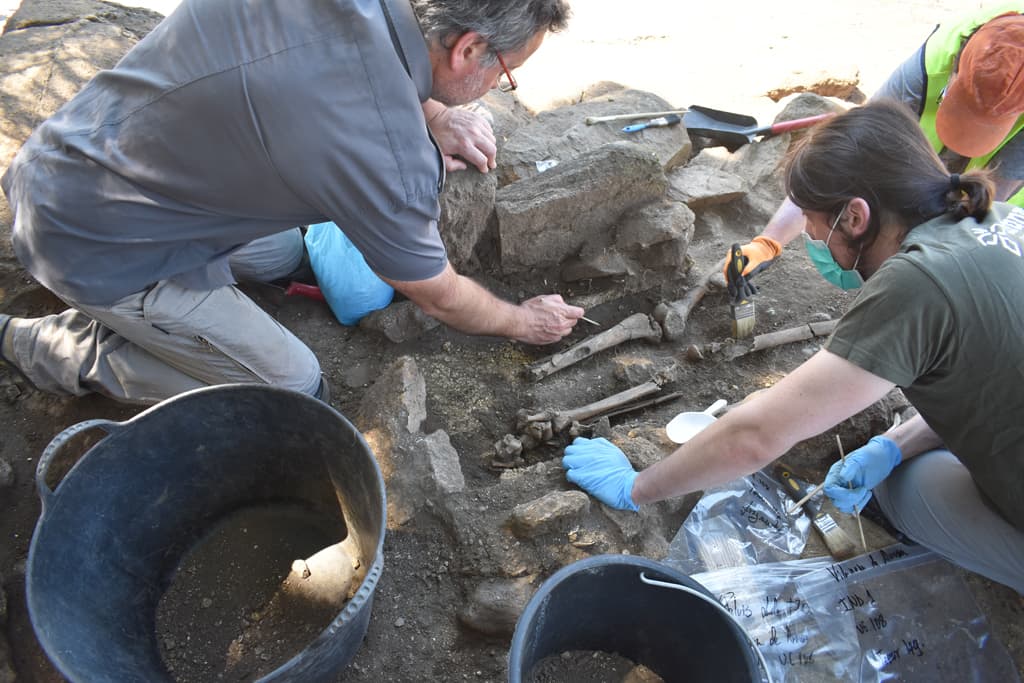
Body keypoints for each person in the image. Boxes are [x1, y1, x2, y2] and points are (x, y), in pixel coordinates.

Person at [0, 0, 582, 406]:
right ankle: (51, 349)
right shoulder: (386, 155)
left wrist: (434, 112)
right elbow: (437, 294)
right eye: (504, 75)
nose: (498, 88)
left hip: (65, 157)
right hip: (93, 245)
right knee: (297, 390)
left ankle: (189, 315)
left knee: (282, 255)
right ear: (470, 48)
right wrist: (520, 321)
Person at [562, 100, 1024, 593]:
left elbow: (755, 436)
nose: (808, 233)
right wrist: (891, 444)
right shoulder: (999, 218)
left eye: (810, 218)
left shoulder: (917, 282)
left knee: (901, 489)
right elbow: (990, 376)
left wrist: (636, 488)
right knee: (902, 461)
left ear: (855, 216)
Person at [729, 5, 1024, 281]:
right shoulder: (930, 65)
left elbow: (982, 211)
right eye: (963, 108)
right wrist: (769, 241)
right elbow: (842, 158)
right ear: (956, 70)